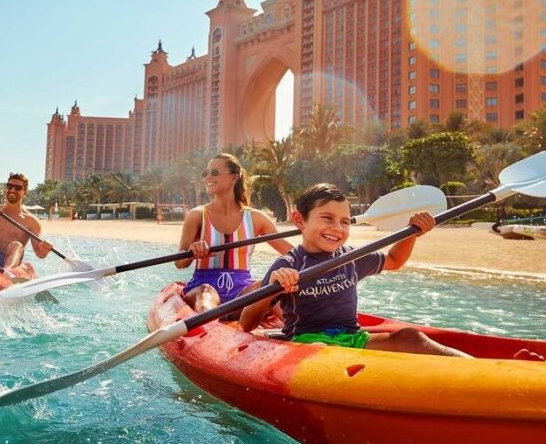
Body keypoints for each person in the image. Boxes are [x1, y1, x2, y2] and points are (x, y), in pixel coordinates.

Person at [239, 182, 472, 358]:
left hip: (354, 337)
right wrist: (272, 289)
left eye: (345, 221)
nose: (337, 228)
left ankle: (478, 367)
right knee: (322, 351)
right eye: (327, 218)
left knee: (410, 337)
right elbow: (247, 323)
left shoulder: (350, 257)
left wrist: (412, 233)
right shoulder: (288, 265)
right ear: (300, 220)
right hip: (307, 341)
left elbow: (393, 260)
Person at [176, 153, 294, 313]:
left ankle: (297, 330)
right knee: (205, 292)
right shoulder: (197, 215)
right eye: (206, 173)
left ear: (234, 178)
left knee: (266, 286)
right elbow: (179, 263)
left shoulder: (256, 218)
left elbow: (291, 254)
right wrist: (192, 253)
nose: (208, 177)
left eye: (215, 172)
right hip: (203, 288)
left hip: (241, 292)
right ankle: (211, 326)